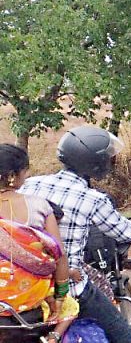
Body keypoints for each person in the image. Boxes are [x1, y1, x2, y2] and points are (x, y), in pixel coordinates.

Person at [19, 126, 131, 343]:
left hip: (28, 283)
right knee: (123, 335)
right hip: (68, 286)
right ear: (96, 163)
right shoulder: (92, 198)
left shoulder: (31, 184)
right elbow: (120, 230)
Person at [0, 144, 73, 343]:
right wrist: (60, 298)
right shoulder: (38, 205)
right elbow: (59, 255)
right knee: (71, 308)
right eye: (25, 171)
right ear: (14, 175)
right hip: (29, 305)